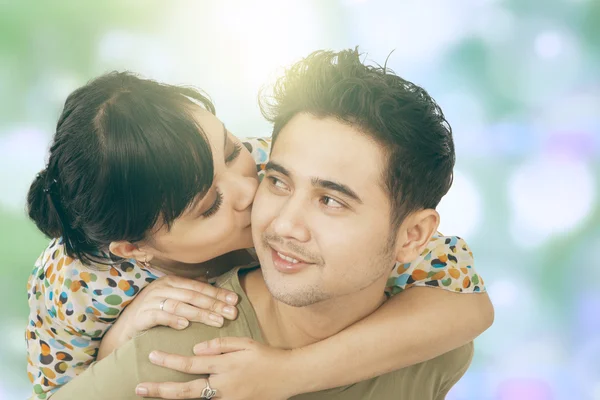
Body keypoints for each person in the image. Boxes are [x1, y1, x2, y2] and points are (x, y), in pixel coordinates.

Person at [26, 52, 492, 400]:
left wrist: (289, 373)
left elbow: (467, 306)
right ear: (135, 249)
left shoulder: (279, 164)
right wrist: (118, 345)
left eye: (232, 153)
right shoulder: (79, 286)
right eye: (210, 205)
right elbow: (58, 387)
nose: (253, 193)